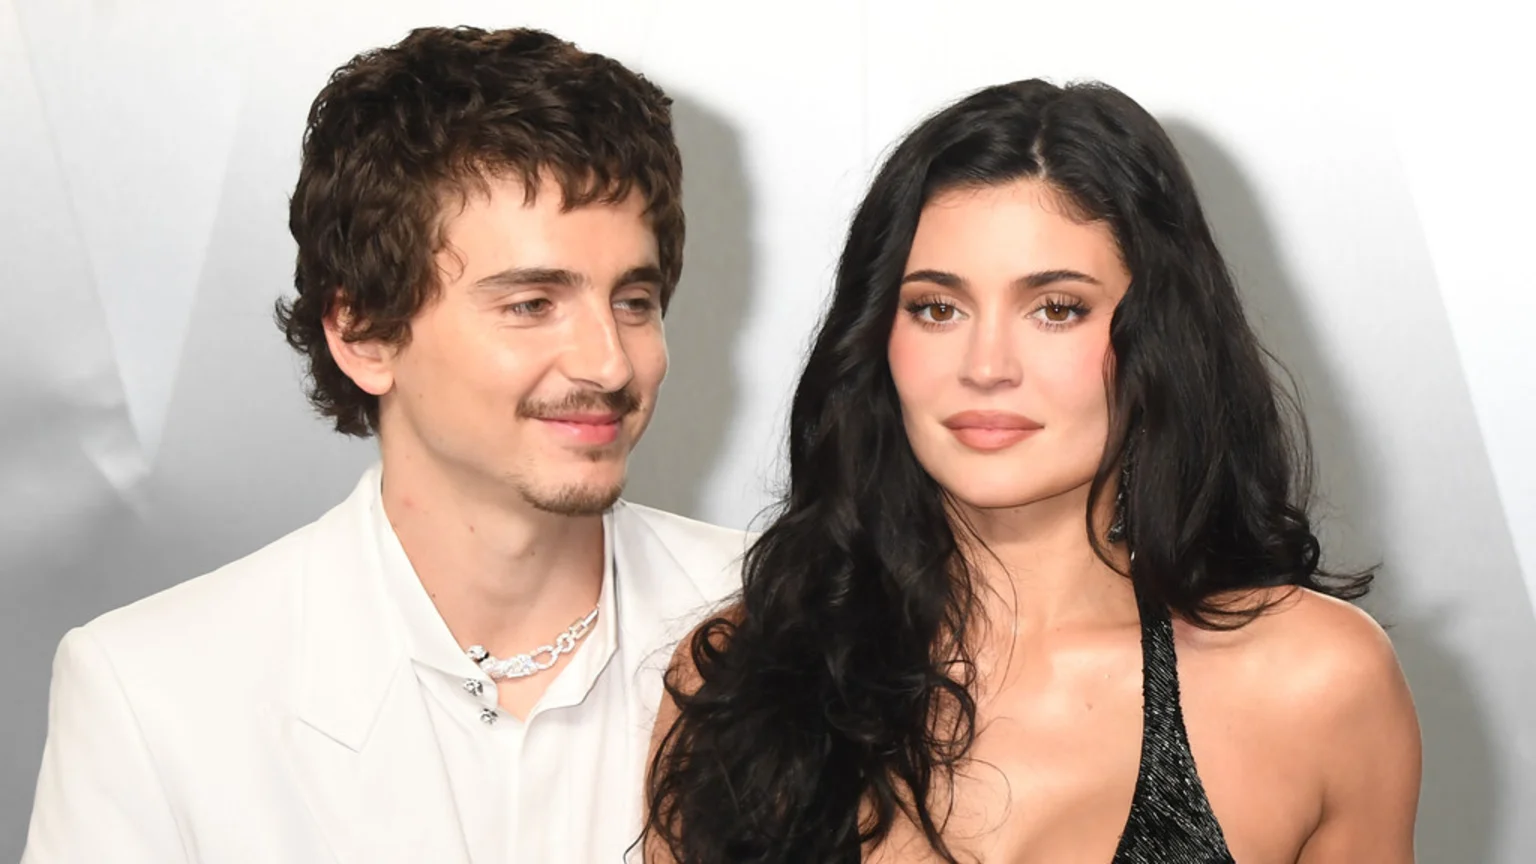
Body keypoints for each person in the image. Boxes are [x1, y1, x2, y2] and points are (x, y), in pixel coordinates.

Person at [644, 79, 1421, 864]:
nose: (986, 367)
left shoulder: (1315, 683)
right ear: (879, 339)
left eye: (1056, 308)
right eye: (937, 308)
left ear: (1160, 339)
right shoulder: (740, 678)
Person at [23, 26, 746, 864]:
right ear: (363, 333)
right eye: (530, 304)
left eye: (633, 300)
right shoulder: (152, 693)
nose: (610, 362)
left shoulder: (802, 619)